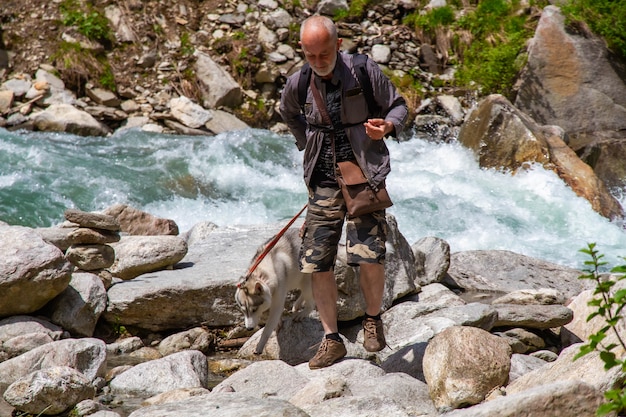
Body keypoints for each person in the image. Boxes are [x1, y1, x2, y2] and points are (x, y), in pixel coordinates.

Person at [279, 15, 408, 369]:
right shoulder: (299, 81)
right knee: (316, 260)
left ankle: (372, 319)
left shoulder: (363, 70)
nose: (318, 63)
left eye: (324, 54)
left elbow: (399, 105)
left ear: (337, 45)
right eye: (310, 55)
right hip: (322, 179)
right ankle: (332, 339)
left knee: (368, 253)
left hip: (364, 174)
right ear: (303, 51)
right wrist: (306, 141)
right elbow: (288, 112)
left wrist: (388, 126)